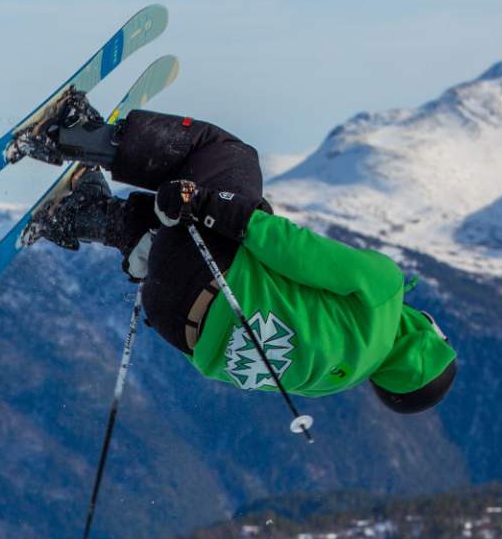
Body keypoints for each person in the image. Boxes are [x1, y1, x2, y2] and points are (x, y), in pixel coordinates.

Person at [30, 105, 458, 414]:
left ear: (427, 338)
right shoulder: (332, 380)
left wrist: (216, 207)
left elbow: (299, 252)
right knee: (186, 234)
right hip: (173, 320)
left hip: (207, 275)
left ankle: (73, 133)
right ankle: (82, 216)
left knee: (228, 154)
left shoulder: (384, 293)